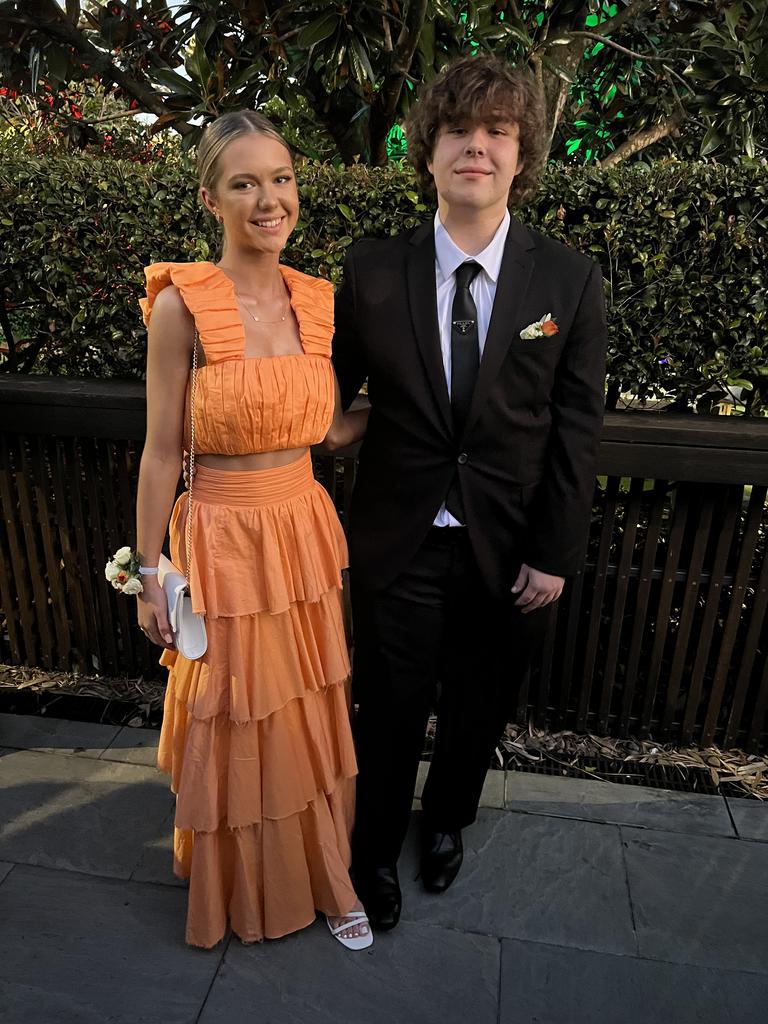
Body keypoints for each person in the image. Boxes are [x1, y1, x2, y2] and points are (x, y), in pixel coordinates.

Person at [332, 55, 608, 930]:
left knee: (479, 709)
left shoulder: (569, 281)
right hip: (398, 543)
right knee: (387, 710)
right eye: (459, 131)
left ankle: (445, 823)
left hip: (510, 547)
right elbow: (325, 401)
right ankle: (370, 849)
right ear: (429, 152)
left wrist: (555, 553)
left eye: (497, 132)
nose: (477, 148)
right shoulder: (371, 272)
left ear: (521, 155)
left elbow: (575, 430)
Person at [135, 111, 371, 950]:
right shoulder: (181, 307)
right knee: (236, 717)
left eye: (281, 179)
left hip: (302, 532)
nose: (269, 199)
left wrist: (394, 412)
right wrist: (151, 573)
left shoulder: (317, 299)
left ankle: (324, 877)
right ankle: (238, 885)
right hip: (222, 541)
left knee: (304, 711)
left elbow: (326, 429)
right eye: (245, 183)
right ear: (211, 198)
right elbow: (163, 450)